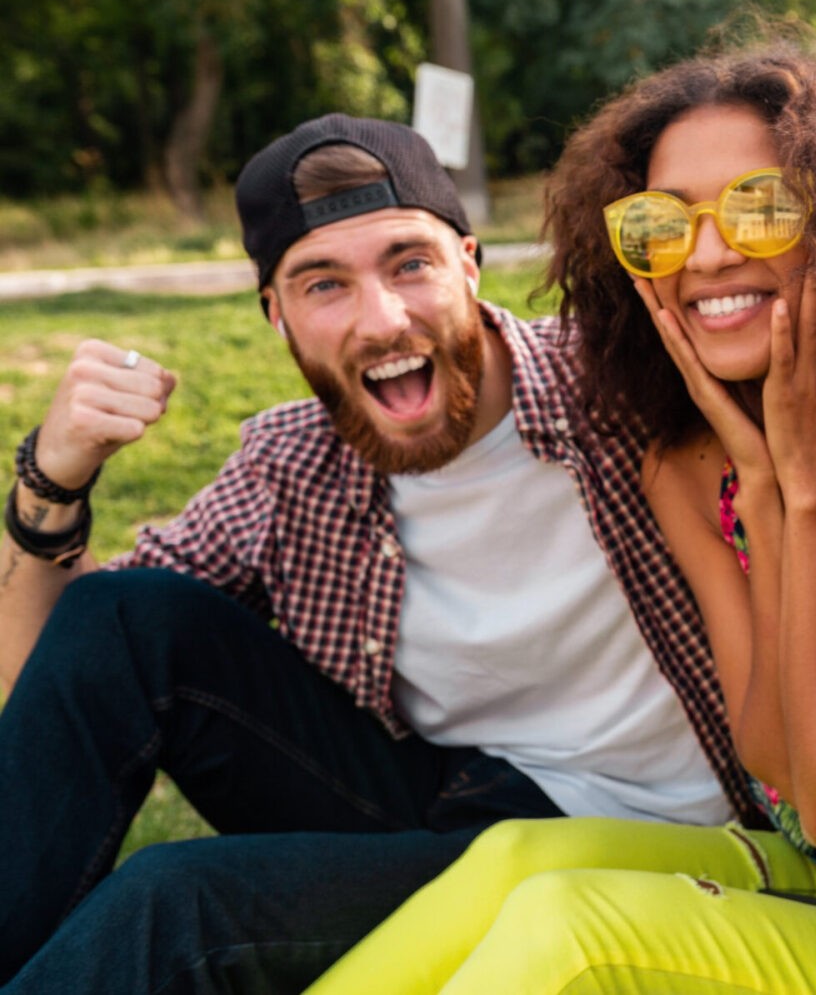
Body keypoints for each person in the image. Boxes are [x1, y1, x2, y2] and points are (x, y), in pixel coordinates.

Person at [309, 39, 816, 995]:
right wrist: (766, 482)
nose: (706, 255)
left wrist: (814, 490)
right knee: (512, 857)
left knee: (566, 925)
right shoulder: (687, 459)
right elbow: (773, 758)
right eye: (660, 225)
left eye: (757, 209)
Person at [0, 113, 763, 993]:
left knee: (175, 902)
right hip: (443, 805)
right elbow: (62, 684)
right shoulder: (290, 467)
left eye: (409, 263)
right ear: (275, 316)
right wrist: (50, 483)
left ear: (469, 266)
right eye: (324, 285)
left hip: (655, 840)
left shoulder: (623, 385)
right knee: (118, 619)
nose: (384, 318)